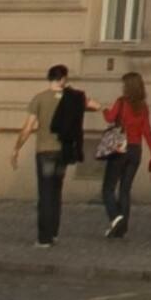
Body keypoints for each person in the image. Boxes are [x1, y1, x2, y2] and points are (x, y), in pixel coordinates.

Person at [30, 63, 88, 245]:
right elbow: (94, 105)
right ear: (63, 79)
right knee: (56, 193)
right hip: (62, 151)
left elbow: (28, 126)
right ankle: (54, 232)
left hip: (44, 150)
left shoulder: (39, 98)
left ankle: (44, 238)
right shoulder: (71, 98)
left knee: (45, 194)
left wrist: (17, 147)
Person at [97, 71, 151, 237]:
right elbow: (147, 130)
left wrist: (103, 109)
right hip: (136, 150)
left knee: (108, 188)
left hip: (120, 148)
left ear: (127, 86)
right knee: (125, 190)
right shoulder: (143, 107)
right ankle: (122, 228)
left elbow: (110, 118)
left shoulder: (122, 102)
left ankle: (116, 218)